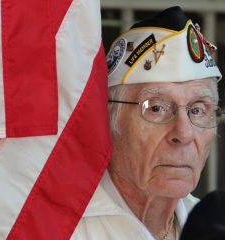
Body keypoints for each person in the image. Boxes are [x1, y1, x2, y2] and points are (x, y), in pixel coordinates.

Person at [71, 6, 222, 240]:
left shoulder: (211, 226)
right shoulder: (61, 228)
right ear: (110, 120)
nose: (183, 134)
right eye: (156, 108)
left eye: (198, 110)